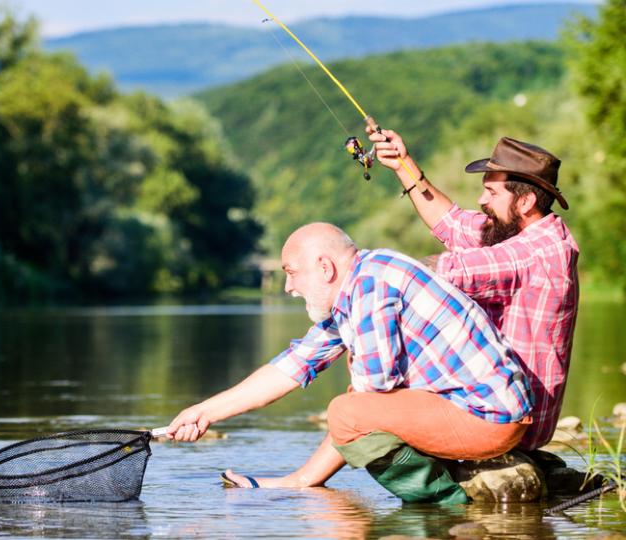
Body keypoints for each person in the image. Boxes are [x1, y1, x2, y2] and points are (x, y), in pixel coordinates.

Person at [166, 223, 533, 503]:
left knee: (348, 409)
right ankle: (304, 479)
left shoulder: (371, 287)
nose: (288, 288)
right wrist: (205, 411)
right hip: (480, 411)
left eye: (291, 272)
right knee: (352, 405)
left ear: (325, 267)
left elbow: (370, 393)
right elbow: (291, 366)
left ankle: (446, 500)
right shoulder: (360, 283)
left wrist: (306, 474)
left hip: (488, 418)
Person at [367, 130, 579, 451]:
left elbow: (448, 271)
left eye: (491, 193)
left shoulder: (538, 251)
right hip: (503, 407)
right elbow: (451, 223)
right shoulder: (521, 230)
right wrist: (402, 164)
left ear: (525, 201)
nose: (482, 201)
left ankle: (438, 490)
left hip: (514, 424)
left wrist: (368, 277)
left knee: (365, 409)